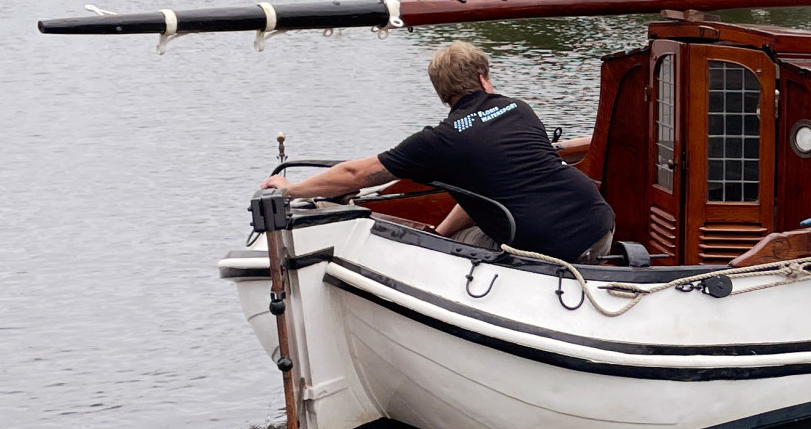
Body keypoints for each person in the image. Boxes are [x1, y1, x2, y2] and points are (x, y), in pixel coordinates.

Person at [261, 41, 616, 263]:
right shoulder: (518, 108)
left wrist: (290, 189)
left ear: (442, 94)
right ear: (483, 79)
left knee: (446, 254)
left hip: (547, 247)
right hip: (599, 225)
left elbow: (357, 175)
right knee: (454, 237)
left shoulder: (440, 141)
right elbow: (485, 189)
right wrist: (442, 230)